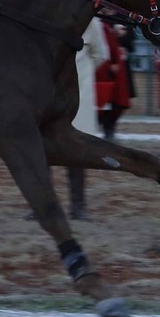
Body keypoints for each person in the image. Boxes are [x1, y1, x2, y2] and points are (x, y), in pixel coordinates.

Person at [64, 20, 109, 221]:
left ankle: (78, 206)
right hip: (51, 93)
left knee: (75, 152)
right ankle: (48, 205)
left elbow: (101, 55)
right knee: (42, 150)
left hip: (77, 94)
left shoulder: (90, 22)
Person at [96, 21, 134, 141]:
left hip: (117, 71)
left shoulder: (122, 19)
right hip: (102, 71)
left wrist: (121, 35)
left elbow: (130, 44)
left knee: (115, 103)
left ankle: (109, 131)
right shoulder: (100, 25)